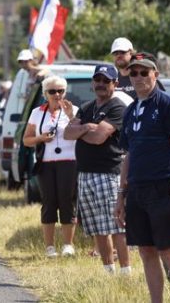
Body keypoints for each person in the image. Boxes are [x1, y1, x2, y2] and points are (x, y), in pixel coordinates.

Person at [114, 52, 170, 303]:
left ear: (155, 75)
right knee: (146, 251)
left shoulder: (168, 104)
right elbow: (128, 155)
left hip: (163, 187)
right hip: (136, 189)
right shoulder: (131, 110)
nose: (138, 77)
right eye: (133, 72)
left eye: (144, 72)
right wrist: (121, 195)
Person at [64, 65, 131, 274]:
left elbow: (98, 137)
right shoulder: (86, 107)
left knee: (117, 227)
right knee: (98, 228)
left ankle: (125, 272)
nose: (101, 84)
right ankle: (108, 270)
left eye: (106, 80)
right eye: (98, 80)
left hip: (109, 173)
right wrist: (86, 127)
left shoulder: (117, 107)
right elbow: (67, 133)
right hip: (85, 173)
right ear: (93, 83)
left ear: (115, 84)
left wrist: (83, 131)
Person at [22, 75, 79, 258]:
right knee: (48, 203)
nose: (57, 95)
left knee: (67, 201)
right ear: (45, 94)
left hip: (69, 162)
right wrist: (41, 138)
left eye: (60, 91)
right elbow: (26, 140)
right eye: (52, 91)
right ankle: (49, 247)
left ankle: (68, 245)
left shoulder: (74, 110)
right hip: (46, 164)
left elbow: (81, 133)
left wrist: (71, 116)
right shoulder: (37, 112)